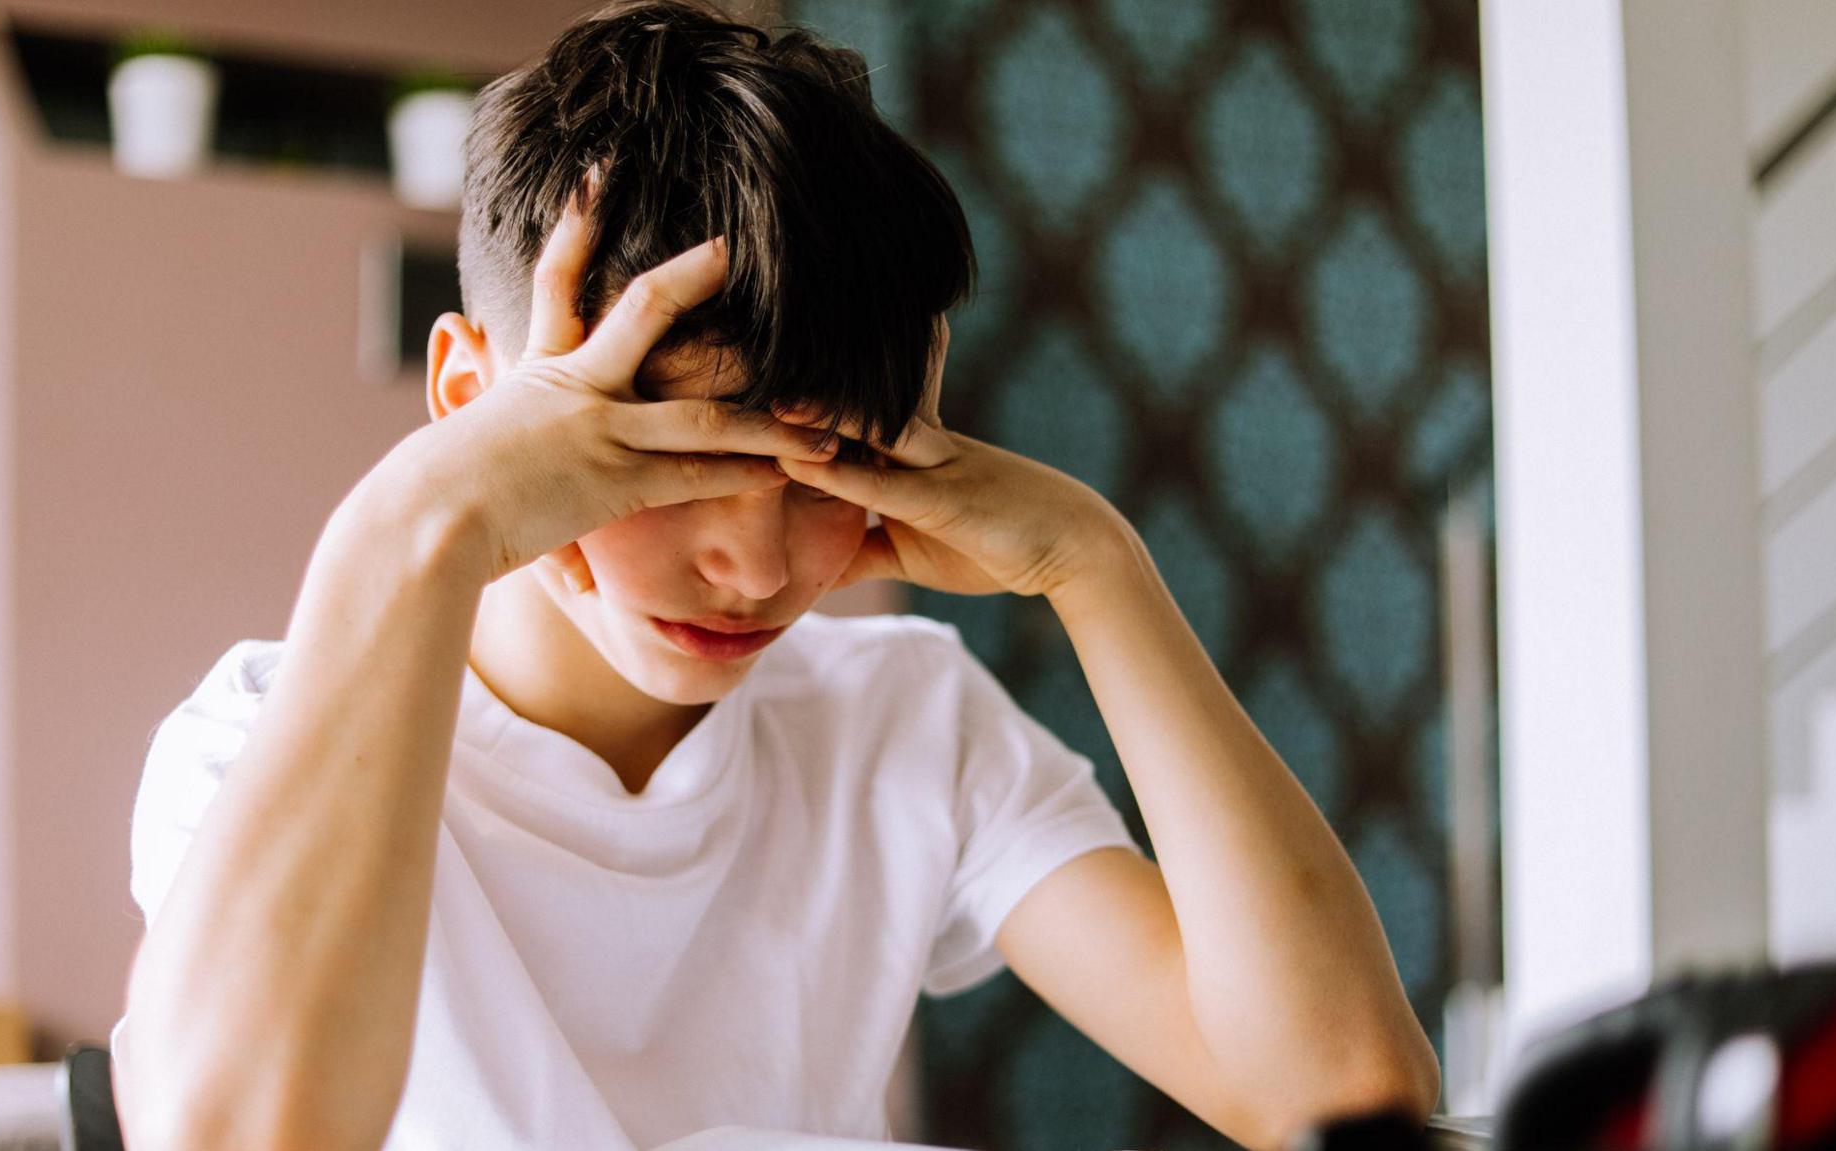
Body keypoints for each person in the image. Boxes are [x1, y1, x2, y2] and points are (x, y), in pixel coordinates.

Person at [107, 3, 1439, 1149]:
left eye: (830, 467)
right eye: (670, 458)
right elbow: (242, 1136)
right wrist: (411, 526)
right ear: (474, 403)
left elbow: (1346, 1099)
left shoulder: (900, 719)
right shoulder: (253, 744)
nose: (755, 563)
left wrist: (1097, 565)